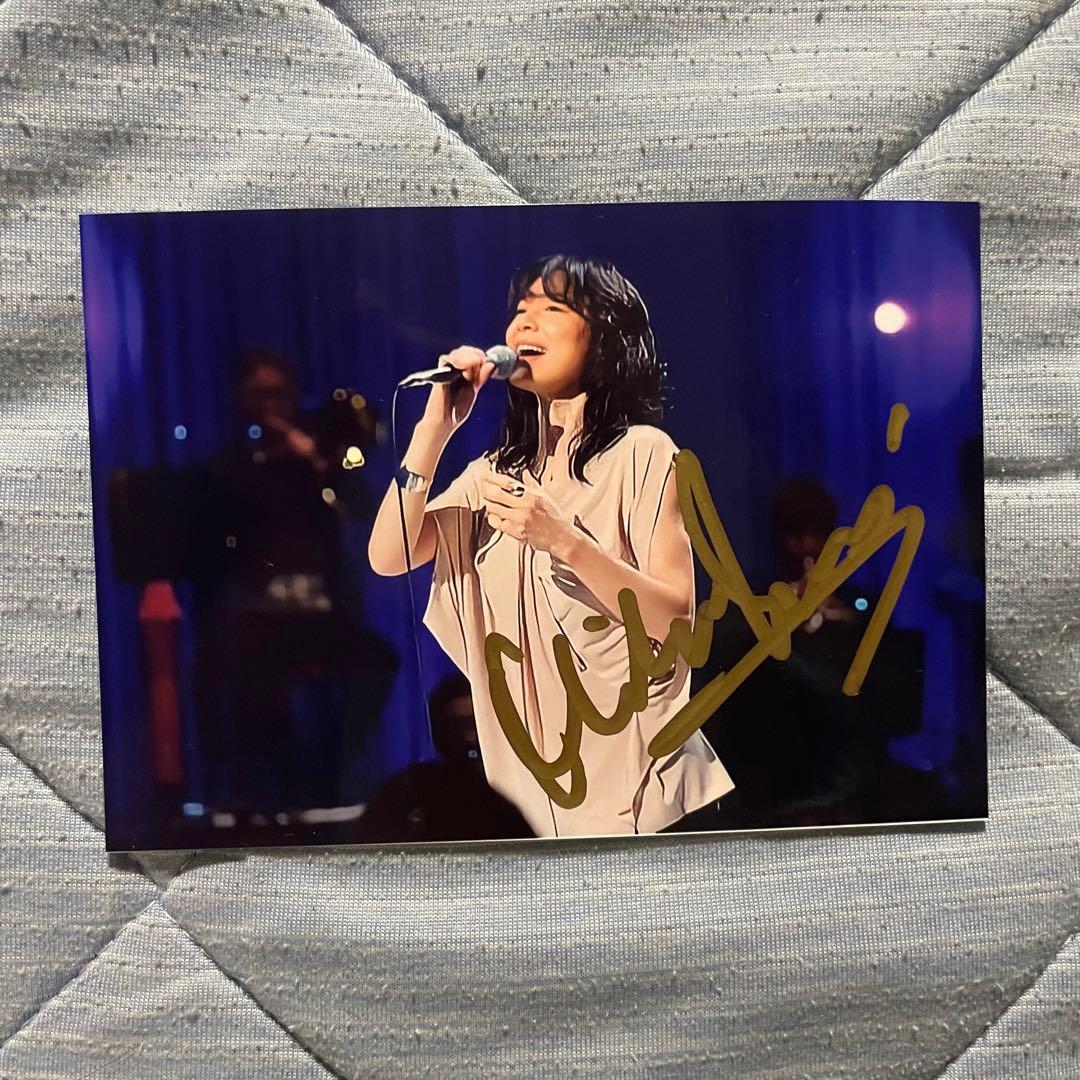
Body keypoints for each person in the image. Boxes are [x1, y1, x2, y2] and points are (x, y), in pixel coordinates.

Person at [368, 255, 734, 837]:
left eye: (553, 308)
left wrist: (561, 539)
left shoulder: (643, 453)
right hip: (537, 794)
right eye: (520, 309)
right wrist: (434, 430)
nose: (524, 323)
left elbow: (678, 623)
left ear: (604, 339)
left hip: (643, 794)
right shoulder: (493, 474)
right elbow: (390, 555)